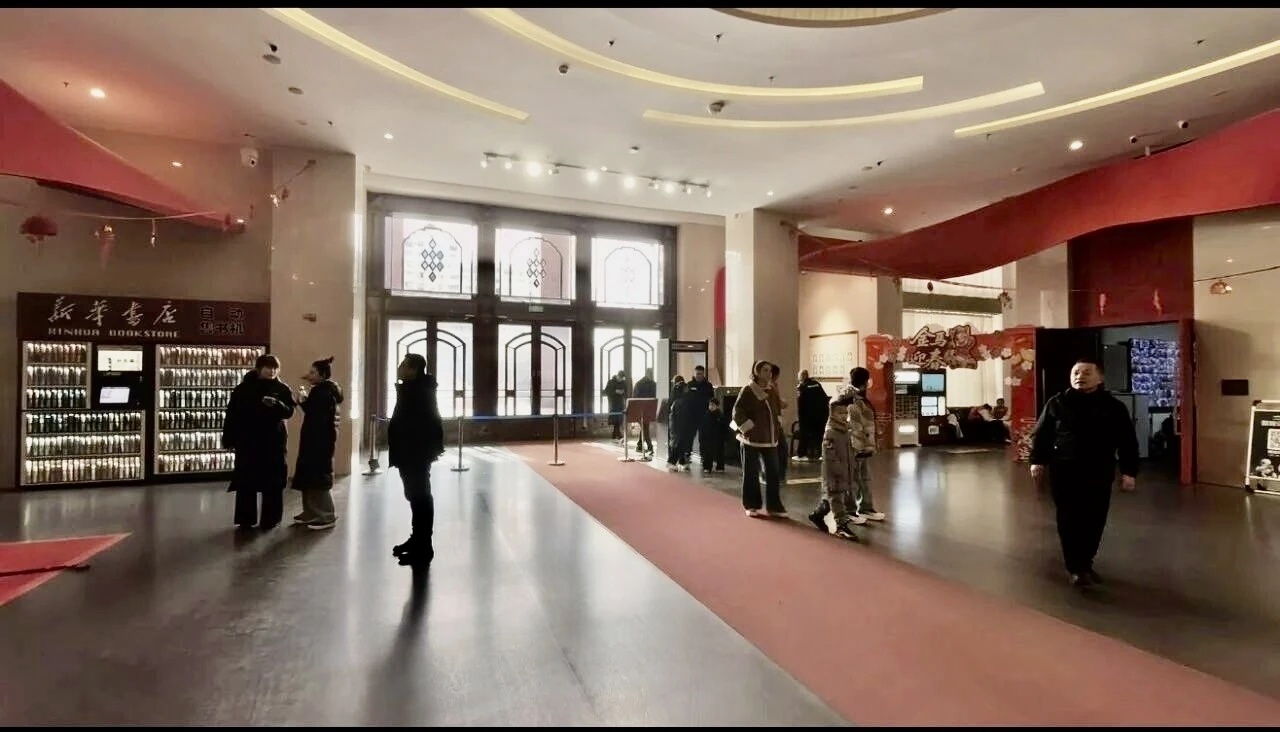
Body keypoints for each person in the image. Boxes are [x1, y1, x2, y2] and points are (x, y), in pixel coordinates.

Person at [1029, 357, 1139, 587]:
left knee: (1095, 519)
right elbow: (1042, 435)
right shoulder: (1057, 403)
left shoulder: (1113, 407)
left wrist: (1129, 471)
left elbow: (1127, 440)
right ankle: (1075, 567)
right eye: (1076, 373)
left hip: (1099, 470)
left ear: (1100, 378)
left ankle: (1086, 562)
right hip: (1064, 470)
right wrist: (1037, 461)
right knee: (1069, 519)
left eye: (1087, 373)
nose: (1080, 377)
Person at [222, 354, 296, 531]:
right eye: (268, 368)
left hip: (273, 441)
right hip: (248, 441)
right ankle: (245, 518)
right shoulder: (243, 389)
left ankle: (271, 519)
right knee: (247, 480)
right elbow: (232, 414)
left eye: (275, 368)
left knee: (273, 481)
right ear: (259, 368)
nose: (272, 371)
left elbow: (289, 411)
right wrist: (229, 437)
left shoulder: (282, 388)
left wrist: (277, 405)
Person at [388, 353, 446, 567]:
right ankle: (417, 538)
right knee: (415, 496)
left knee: (420, 497)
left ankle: (424, 546)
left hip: (415, 453)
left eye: (403, 365)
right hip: (409, 452)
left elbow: (424, 425)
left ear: (413, 370)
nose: (399, 368)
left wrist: (415, 451)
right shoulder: (411, 389)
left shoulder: (419, 392)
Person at [291, 356, 344, 530]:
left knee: (318, 478)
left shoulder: (323, 393)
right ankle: (311, 512)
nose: (310, 375)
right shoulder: (324, 391)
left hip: (319, 442)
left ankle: (325, 515)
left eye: (313, 372)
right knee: (310, 476)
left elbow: (316, 416)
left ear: (322, 374)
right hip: (316, 440)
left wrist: (303, 401)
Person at [807, 385, 862, 540]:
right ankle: (841, 524)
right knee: (836, 498)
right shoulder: (831, 432)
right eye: (840, 413)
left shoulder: (845, 431)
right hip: (833, 474)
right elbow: (829, 456)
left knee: (830, 498)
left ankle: (817, 515)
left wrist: (852, 466)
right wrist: (839, 470)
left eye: (845, 413)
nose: (843, 416)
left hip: (844, 470)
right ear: (832, 414)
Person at [732, 360, 785, 518]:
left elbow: (776, 409)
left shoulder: (772, 390)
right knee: (751, 474)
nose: (769, 374)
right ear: (757, 372)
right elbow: (737, 411)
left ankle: (774, 506)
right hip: (751, 439)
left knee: (773, 473)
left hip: (770, 439)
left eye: (770, 371)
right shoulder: (748, 390)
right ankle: (751, 504)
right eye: (765, 370)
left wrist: (777, 425)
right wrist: (748, 427)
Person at [848, 367, 885, 523]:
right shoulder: (851, 399)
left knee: (864, 478)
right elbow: (854, 426)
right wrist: (858, 446)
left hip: (864, 446)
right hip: (856, 446)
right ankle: (849, 510)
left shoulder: (861, 399)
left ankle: (866, 507)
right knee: (853, 479)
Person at [686, 365, 724, 472]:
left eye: (701, 374)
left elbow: (712, 399)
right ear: (694, 374)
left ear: (704, 374)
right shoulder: (689, 385)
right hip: (692, 416)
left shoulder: (708, 385)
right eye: (697, 374)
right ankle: (687, 456)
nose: (699, 376)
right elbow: (686, 399)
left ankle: (704, 458)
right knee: (689, 437)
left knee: (703, 439)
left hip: (705, 417)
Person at [796, 370, 829, 461]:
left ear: (801, 378)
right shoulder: (816, 384)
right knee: (819, 436)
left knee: (804, 434)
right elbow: (824, 398)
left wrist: (800, 417)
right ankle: (820, 454)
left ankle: (802, 454)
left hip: (807, 416)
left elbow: (801, 403)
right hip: (820, 416)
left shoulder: (802, 387)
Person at [767, 363, 791, 487]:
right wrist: (783, 403)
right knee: (781, 448)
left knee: (777, 448)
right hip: (773, 422)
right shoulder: (770, 387)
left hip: (775, 421)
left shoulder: (772, 385)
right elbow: (778, 403)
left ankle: (776, 475)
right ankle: (778, 475)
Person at [666, 376, 693, 471]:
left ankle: (682, 461)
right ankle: (671, 462)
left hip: (679, 424)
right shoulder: (680, 401)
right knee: (678, 443)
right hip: (679, 425)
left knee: (682, 443)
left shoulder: (677, 399)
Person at [633, 368, 657, 457]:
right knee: (645, 427)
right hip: (646, 409)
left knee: (644, 427)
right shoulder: (652, 384)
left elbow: (635, 397)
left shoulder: (639, 384)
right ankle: (650, 447)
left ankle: (639, 445)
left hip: (642, 409)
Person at [603, 370, 629, 442]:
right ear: (617, 376)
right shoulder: (611, 382)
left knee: (619, 418)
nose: (621, 379)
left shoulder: (623, 383)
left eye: (622, 378)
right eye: (620, 377)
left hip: (620, 403)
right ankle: (617, 433)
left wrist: (623, 394)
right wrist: (615, 391)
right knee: (615, 418)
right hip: (613, 403)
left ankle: (615, 433)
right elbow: (606, 391)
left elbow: (626, 392)